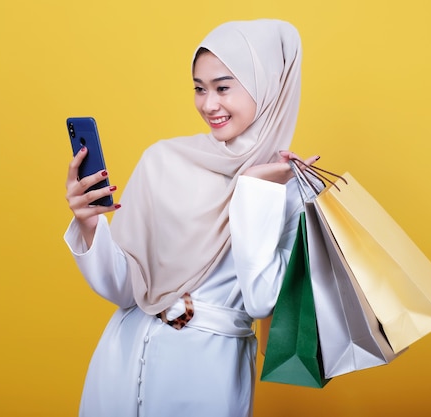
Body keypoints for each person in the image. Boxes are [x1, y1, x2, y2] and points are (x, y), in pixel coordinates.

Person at [64, 19, 319, 417]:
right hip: (120, 360)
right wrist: (89, 224)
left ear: (267, 85)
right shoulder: (163, 160)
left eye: (223, 87)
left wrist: (253, 190)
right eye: (199, 89)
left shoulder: (293, 187)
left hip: (207, 373)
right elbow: (126, 290)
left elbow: (260, 301)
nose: (208, 104)